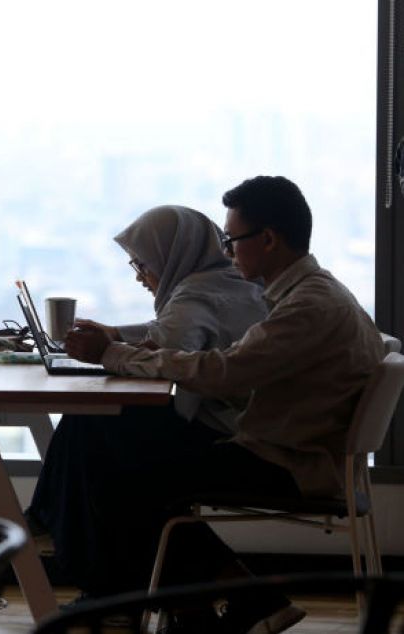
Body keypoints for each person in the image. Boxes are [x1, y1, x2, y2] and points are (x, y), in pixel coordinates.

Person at [61, 176, 383, 633]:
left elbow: (221, 373)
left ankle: (241, 599)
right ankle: (194, 609)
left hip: (288, 461)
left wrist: (112, 353)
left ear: (268, 239)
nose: (228, 252)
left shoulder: (306, 307)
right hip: (294, 446)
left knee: (122, 473)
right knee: (110, 442)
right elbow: (228, 368)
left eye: (233, 240)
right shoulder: (312, 292)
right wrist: (122, 346)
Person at [26, 206, 267, 606]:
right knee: (96, 436)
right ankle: (70, 544)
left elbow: (170, 346)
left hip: (225, 434)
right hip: (241, 421)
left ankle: (54, 526)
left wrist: (110, 350)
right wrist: (117, 335)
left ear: (172, 256)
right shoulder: (231, 281)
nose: (139, 276)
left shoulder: (196, 294)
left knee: (96, 441)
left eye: (143, 263)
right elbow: (168, 333)